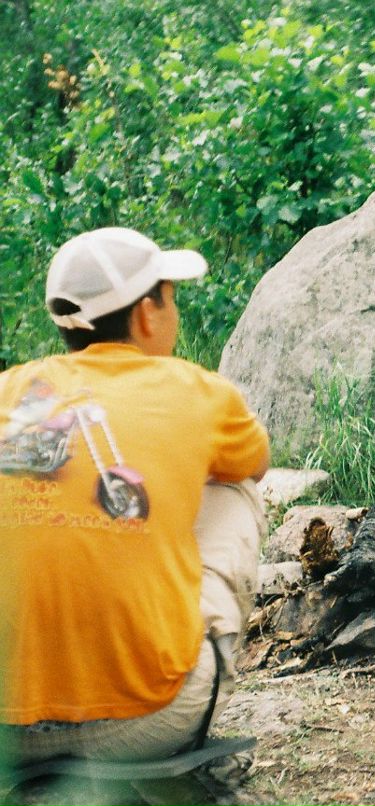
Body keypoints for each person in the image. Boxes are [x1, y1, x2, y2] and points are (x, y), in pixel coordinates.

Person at [0, 227, 270, 763]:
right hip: (145, 722)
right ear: (147, 314)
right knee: (234, 485)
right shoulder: (200, 391)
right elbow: (255, 463)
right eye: (171, 298)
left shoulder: (9, 389)